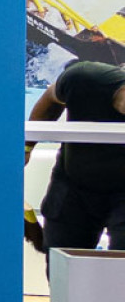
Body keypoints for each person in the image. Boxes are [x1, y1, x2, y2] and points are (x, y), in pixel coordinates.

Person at [29, 60, 125, 260]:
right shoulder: (85, 78)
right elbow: (51, 98)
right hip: (74, 184)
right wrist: (27, 146)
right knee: (60, 262)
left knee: (120, 269)